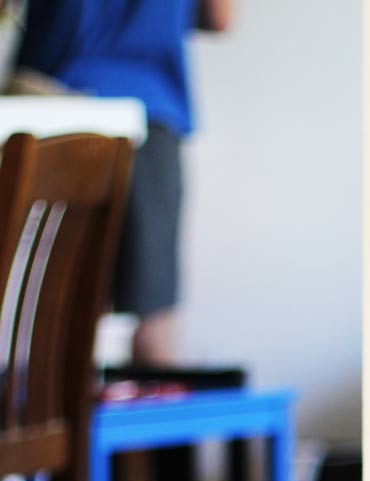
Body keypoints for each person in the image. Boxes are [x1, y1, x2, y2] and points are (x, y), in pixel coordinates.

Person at [15, 1, 233, 363]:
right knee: (152, 316)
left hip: (48, 103)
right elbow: (219, 18)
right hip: (147, 104)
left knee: (52, 314)